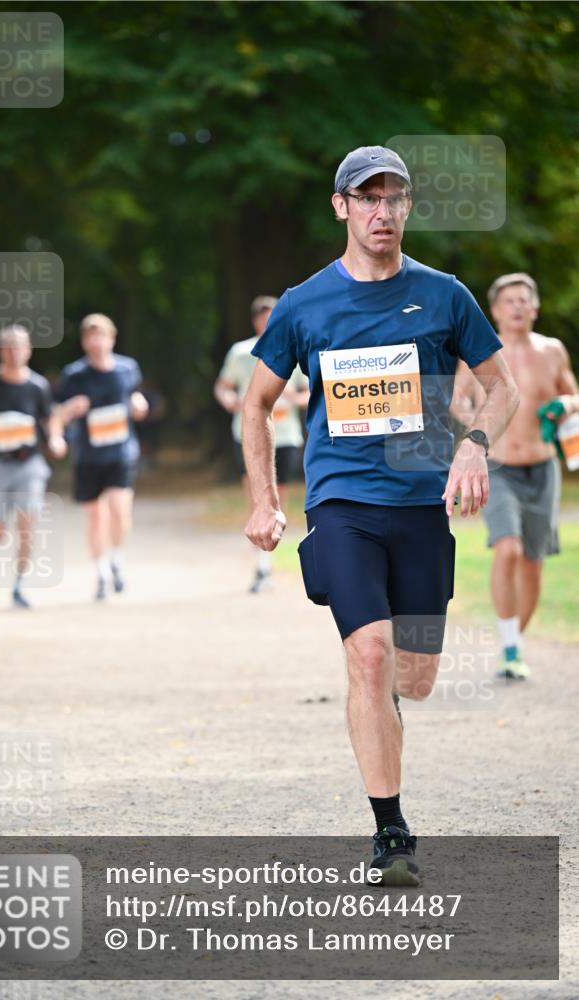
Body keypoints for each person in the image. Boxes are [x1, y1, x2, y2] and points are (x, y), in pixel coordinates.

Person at [242, 145, 519, 884]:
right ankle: (390, 835)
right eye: (366, 198)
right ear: (340, 206)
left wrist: (474, 446)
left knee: (415, 676)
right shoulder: (304, 304)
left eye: (393, 199)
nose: (381, 212)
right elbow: (254, 405)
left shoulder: (443, 295)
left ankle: (385, 697)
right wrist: (265, 500)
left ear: (405, 208)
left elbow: (501, 387)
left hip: (420, 507)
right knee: (367, 655)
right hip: (342, 504)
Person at [452, 273, 579, 679]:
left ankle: (514, 644)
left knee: (533, 563)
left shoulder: (552, 350)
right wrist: (478, 431)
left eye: (524, 299)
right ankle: (510, 645)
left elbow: (573, 395)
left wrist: (565, 404)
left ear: (535, 307)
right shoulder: (480, 350)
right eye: (509, 301)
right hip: (499, 467)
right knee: (506, 549)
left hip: (543, 467)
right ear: (495, 310)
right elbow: (458, 401)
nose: (517, 306)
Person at [0, 325, 67, 608]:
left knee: (27, 524)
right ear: (0, 351)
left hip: (29, 463)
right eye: (9, 346)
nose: (15, 351)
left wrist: (55, 438)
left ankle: (19, 585)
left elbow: (50, 418)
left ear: (29, 350)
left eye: (20, 346)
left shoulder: (38, 386)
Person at [214, 295, 309, 593]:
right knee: (257, 499)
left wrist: (296, 399)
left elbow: (310, 392)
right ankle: (261, 567)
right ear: (255, 320)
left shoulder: (295, 346)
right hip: (250, 435)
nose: (267, 321)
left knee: (279, 498)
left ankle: (273, 560)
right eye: (263, 316)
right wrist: (228, 399)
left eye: (273, 315)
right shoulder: (241, 352)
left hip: (287, 434)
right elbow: (223, 385)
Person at [55, 313, 149, 601]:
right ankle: (101, 572)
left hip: (121, 451)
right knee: (95, 517)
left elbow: (136, 399)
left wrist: (139, 404)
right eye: (91, 336)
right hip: (88, 456)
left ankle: (117, 557)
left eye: (102, 335)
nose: (96, 341)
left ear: (112, 338)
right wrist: (70, 410)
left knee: (120, 511)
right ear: (84, 342)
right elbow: (55, 414)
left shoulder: (127, 368)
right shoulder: (74, 375)